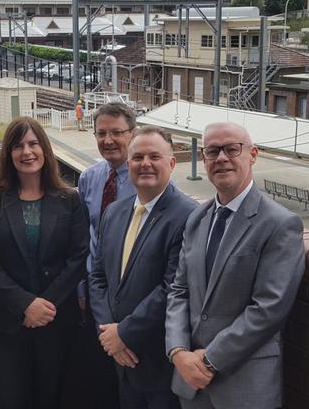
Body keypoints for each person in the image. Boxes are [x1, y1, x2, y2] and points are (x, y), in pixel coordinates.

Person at [165, 122, 305, 409]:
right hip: (191, 384)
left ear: (253, 154)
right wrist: (178, 351)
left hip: (244, 387)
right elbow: (179, 290)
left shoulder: (279, 224)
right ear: (203, 159)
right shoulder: (197, 218)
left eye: (232, 149)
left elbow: (268, 308)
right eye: (212, 151)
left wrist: (208, 359)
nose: (222, 158)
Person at [0, 116, 89, 409]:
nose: (27, 152)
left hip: (56, 321)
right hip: (7, 324)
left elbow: (78, 257)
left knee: (52, 397)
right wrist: (25, 304)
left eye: (33, 144)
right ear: (8, 154)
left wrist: (45, 305)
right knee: (10, 398)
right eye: (18, 145)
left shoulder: (68, 200)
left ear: (45, 150)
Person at [89, 126, 198, 409]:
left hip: (159, 360)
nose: (145, 164)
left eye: (154, 156)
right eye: (137, 157)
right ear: (128, 164)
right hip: (120, 358)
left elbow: (172, 287)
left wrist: (124, 333)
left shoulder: (188, 216)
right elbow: (98, 277)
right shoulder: (114, 212)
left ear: (172, 163)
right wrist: (108, 333)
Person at [72, 102, 138, 408]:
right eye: (101, 133)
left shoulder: (146, 179)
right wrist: (82, 288)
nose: (108, 140)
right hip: (94, 294)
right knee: (96, 377)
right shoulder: (90, 177)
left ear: (133, 134)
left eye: (116, 132)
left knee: (128, 376)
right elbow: (85, 238)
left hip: (131, 297)